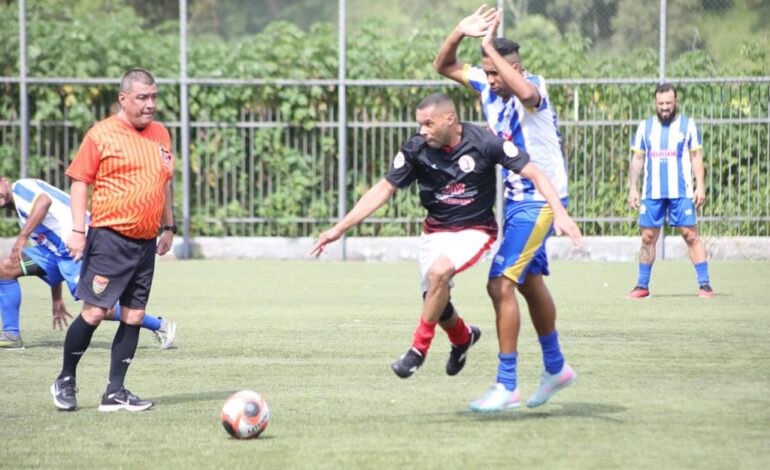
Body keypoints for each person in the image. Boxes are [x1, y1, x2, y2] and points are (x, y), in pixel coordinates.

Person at [310, 93, 581, 384]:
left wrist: (560, 213)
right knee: (435, 301)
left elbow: (536, 173)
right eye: (420, 124)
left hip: (474, 230)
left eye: (429, 124)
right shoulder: (416, 149)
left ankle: (417, 349)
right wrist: (339, 229)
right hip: (435, 231)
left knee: (439, 273)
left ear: (450, 119)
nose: (423, 131)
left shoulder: (484, 142)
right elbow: (383, 190)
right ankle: (463, 337)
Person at [434, 6, 580, 412]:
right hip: (517, 200)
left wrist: (489, 48)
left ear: (514, 67)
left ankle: (507, 383)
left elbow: (526, 94)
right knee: (528, 282)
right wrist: (459, 31)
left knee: (500, 284)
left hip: (542, 198)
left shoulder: (533, 86)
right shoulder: (487, 83)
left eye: (496, 72)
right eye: (487, 72)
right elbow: (443, 65)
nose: (491, 79)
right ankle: (556, 367)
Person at [50, 68, 176, 412]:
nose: (150, 104)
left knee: (134, 315)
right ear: (123, 98)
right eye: (142, 97)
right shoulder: (101, 134)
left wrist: (168, 226)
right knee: (95, 312)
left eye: (153, 97)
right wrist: (78, 230)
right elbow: (80, 181)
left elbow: (163, 183)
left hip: (145, 242)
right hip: (109, 238)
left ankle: (115, 392)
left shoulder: (161, 133)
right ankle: (65, 379)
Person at [0, 176, 177, 350]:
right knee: (6, 269)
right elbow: (52, 251)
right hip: (60, 254)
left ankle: (160, 325)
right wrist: (57, 298)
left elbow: (44, 202)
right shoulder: (24, 216)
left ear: (4, 182)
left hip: (81, 246)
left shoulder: (20, 187)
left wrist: (21, 238)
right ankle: (11, 334)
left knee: (99, 308)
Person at [626, 83, 714, 299]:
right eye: (661, 103)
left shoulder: (687, 125)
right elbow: (638, 158)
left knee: (690, 235)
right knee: (647, 237)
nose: (664, 107)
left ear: (676, 102)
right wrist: (633, 188)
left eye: (668, 103)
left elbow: (696, 157)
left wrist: (700, 185)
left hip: (681, 192)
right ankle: (642, 286)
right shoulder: (645, 127)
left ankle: (705, 285)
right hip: (652, 192)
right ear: (655, 103)